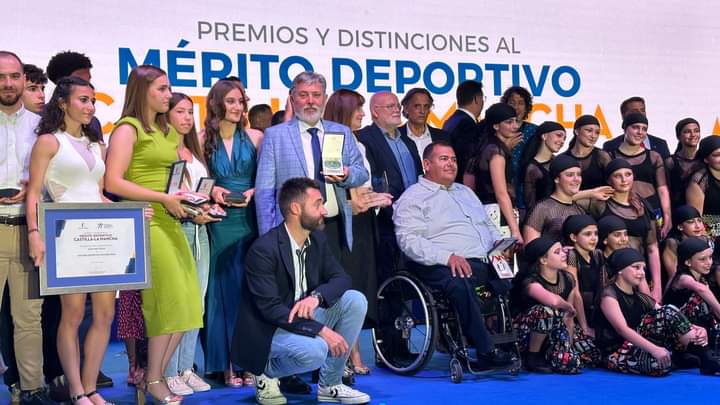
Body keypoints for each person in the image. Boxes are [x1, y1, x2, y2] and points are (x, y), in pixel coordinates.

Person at [104, 65, 203, 405]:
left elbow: (173, 183)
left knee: (188, 305)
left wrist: (191, 202)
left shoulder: (168, 132)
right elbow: (113, 181)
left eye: (168, 88)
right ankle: (154, 378)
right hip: (145, 222)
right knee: (167, 303)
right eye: (161, 89)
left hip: (170, 220)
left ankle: (153, 374)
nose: (167, 94)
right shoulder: (127, 129)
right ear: (142, 90)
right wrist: (162, 198)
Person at [231, 177, 371, 405]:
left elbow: (341, 278)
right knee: (316, 350)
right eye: (317, 204)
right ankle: (265, 372)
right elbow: (271, 310)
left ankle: (330, 384)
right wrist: (322, 330)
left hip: (302, 318)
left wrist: (316, 298)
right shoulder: (263, 249)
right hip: (269, 330)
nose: (324, 210)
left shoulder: (317, 239)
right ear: (295, 209)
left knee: (355, 300)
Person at [25, 76, 113, 405]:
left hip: (101, 239)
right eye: (83, 100)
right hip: (66, 238)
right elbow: (34, 193)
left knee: (104, 315)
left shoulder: (96, 145)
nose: (90, 107)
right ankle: (76, 390)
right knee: (72, 315)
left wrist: (131, 214)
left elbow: (98, 195)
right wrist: (34, 233)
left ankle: (90, 388)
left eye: (93, 101)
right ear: (63, 103)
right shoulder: (49, 142)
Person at [393, 141, 514, 369]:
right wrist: (447, 256)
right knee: (461, 283)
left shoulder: (465, 192)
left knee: (511, 280)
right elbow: (408, 241)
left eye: (454, 159)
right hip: (437, 264)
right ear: (427, 164)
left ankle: (513, 343)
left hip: (480, 261)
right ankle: (486, 349)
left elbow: (487, 225)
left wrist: (498, 244)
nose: (451, 164)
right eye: (444, 159)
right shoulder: (413, 197)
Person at [255, 71, 369, 251]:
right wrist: (268, 238)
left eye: (316, 95)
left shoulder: (341, 131)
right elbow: (264, 192)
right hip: (293, 230)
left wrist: (347, 175)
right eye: (303, 95)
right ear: (292, 99)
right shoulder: (275, 136)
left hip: (334, 227)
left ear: (324, 99)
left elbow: (362, 172)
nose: (310, 101)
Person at [323, 89, 392, 376]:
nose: (363, 114)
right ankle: (347, 354)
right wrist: (359, 203)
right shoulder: (332, 141)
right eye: (358, 109)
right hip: (340, 222)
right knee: (345, 286)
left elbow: (363, 185)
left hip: (363, 222)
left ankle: (354, 351)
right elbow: (336, 188)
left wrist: (374, 199)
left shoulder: (358, 142)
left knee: (360, 286)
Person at [200, 78, 262, 388]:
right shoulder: (201, 139)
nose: (238, 107)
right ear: (217, 104)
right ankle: (223, 363)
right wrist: (214, 191)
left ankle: (247, 360)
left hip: (250, 220)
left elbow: (268, 177)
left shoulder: (256, 136)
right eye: (231, 101)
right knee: (220, 291)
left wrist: (254, 191)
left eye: (241, 101)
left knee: (247, 291)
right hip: (219, 220)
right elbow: (196, 181)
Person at [0, 50, 53, 405]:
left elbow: (55, 178)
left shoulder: (41, 127)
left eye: (14, 76)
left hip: (29, 230)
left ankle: (32, 388)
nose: (8, 83)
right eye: (1, 77)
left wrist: (36, 186)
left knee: (29, 318)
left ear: (23, 79)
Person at [594, 248, 720, 376]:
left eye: (643, 268)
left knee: (668, 311)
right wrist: (654, 349)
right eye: (636, 267)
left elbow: (670, 315)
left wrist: (695, 329)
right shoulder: (609, 295)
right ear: (620, 270)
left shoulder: (641, 297)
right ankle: (686, 357)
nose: (642, 273)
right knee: (660, 365)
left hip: (637, 346)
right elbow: (622, 330)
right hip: (617, 352)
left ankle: (706, 357)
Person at [162, 93, 215, 395]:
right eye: (180, 111)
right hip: (176, 228)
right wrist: (192, 211)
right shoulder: (163, 150)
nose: (186, 118)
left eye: (190, 112)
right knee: (177, 303)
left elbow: (198, 191)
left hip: (200, 231)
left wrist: (208, 203)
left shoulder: (193, 151)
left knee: (197, 303)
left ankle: (185, 368)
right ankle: (168, 371)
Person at [358, 91, 422, 282]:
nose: (397, 110)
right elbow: (371, 181)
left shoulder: (408, 141)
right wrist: (391, 211)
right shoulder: (364, 138)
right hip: (384, 221)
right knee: (388, 278)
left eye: (397, 106)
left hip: (415, 219)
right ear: (375, 111)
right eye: (390, 106)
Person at [512, 237, 600, 373]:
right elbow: (553, 301)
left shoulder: (568, 279)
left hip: (555, 330)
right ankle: (532, 356)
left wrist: (568, 347)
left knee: (584, 359)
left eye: (563, 251)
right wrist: (568, 307)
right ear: (543, 260)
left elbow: (568, 318)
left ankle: (549, 354)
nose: (564, 254)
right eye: (558, 252)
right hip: (526, 334)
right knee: (545, 311)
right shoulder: (530, 282)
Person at [582, 159, 662, 302]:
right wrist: (591, 193)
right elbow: (564, 199)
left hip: (640, 270)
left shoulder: (642, 205)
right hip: (610, 270)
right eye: (618, 176)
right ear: (609, 180)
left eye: (628, 174)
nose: (624, 180)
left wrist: (657, 285)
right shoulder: (600, 203)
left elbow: (652, 247)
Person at [606, 113, 671, 238]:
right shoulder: (610, 156)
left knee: (656, 245)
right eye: (635, 127)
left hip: (653, 209)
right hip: (622, 209)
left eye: (644, 129)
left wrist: (668, 216)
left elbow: (662, 189)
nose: (640, 132)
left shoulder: (654, 156)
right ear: (625, 128)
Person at [464, 103, 522, 243]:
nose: (515, 126)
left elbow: (469, 186)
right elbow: (501, 193)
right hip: (498, 214)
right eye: (509, 122)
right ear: (496, 126)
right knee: (502, 256)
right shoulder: (496, 152)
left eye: (516, 121)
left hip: (483, 212)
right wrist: (515, 230)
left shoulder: (482, 148)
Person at [523, 155, 591, 243]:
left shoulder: (580, 210)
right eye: (570, 175)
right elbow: (531, 246)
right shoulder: (542, 208)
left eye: (579, 174)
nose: (576, 179)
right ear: (557, 179)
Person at [664, 237, 720, 335]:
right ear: (688, 262)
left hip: (699, 326)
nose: (709, 262)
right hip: (678, 329)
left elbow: (713, 308)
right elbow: (701, 289)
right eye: (702, 259)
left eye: (710, 257)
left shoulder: (702, 278)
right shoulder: (683, 278)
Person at [46, 51, 102, 139]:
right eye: (79, 80)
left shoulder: (93, 123)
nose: (87, 85)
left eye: (88, 80)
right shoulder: (38, 118)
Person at [562, 214, 604, 332]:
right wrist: (584, 326)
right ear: (573, 237)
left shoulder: (597, 254)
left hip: (594, 309)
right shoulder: (572, 255)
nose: (594, 238)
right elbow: (575, 293)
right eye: (588, 234)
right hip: (578, 313)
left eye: (596, 233)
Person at [500, 86, 539, 209]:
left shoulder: (534, 131)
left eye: (521, 103)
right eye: (512, 103)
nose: (516, 107)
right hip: (502, 186)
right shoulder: (496, 129)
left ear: (527, 107)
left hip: (527, 188)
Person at [518, 121, 567, 209]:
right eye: (559, 135)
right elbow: (530, 204)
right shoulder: (532, 168)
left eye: (564, 138)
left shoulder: (560, 162)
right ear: (544, 136)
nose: (562, 141)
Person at [602, 96, 671, 159]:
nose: (640, 114)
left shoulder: (660, 144)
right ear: (623, 116)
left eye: (643, 110)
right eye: (635, 111)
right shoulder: (610, 146)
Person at [442, 80, 484, 181]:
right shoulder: (467, 124)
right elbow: (468, 161)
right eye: (483, 98)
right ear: (477, 99)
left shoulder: (451, 120)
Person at [687, 136, 720, 255]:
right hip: (711, 233)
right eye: (717, 155)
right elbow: (695, 220)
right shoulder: (699, 181)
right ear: (706, 159)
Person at [561, 115, 612, 190]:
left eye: (597, 132)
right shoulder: (563, 158)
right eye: (589, 131)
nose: (593, 136)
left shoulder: (602, 156)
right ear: (576, 131)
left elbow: (613, 184)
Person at [397, 87, 448, 162]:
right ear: (406, 108)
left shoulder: (443, 137)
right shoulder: (395, 136)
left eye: (426, 106)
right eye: (417, 106)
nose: (422, 111)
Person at [662, 205, 708, 282]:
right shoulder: (672, 243)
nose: (697, 226)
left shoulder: (703, 239)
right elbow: (674, 276)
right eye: (691, 222)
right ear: (680, 227)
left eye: (699, 221)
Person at [666, 118, 702, 209]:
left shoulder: (705, 159)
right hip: (678, 212)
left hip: (706, 212)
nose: (693, 135)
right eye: (687, 132)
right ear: (678, 137)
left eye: (696, 131)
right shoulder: (670, 162)